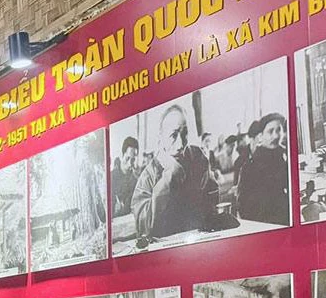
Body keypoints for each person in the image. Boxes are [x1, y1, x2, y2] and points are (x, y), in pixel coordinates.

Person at [131, 104, 222, 245]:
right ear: (160, 136)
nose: (180, 144)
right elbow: (143, 228)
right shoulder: (148, 176)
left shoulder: (198, 157)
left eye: (184, 133)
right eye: (173, 135)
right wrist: (168, 178)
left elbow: (212, 197)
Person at [236, 113, 291, 225]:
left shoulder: (284, 156)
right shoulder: (250, 167)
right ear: (261, 136)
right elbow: (244, 207)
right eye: (270, 131)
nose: (276, 136)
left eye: (278, 130)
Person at [111, 136, 140, 215]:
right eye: (127, 158)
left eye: (133, 160)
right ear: (122, 155)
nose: (130, 164)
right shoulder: (111, 178)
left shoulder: (135, 180)